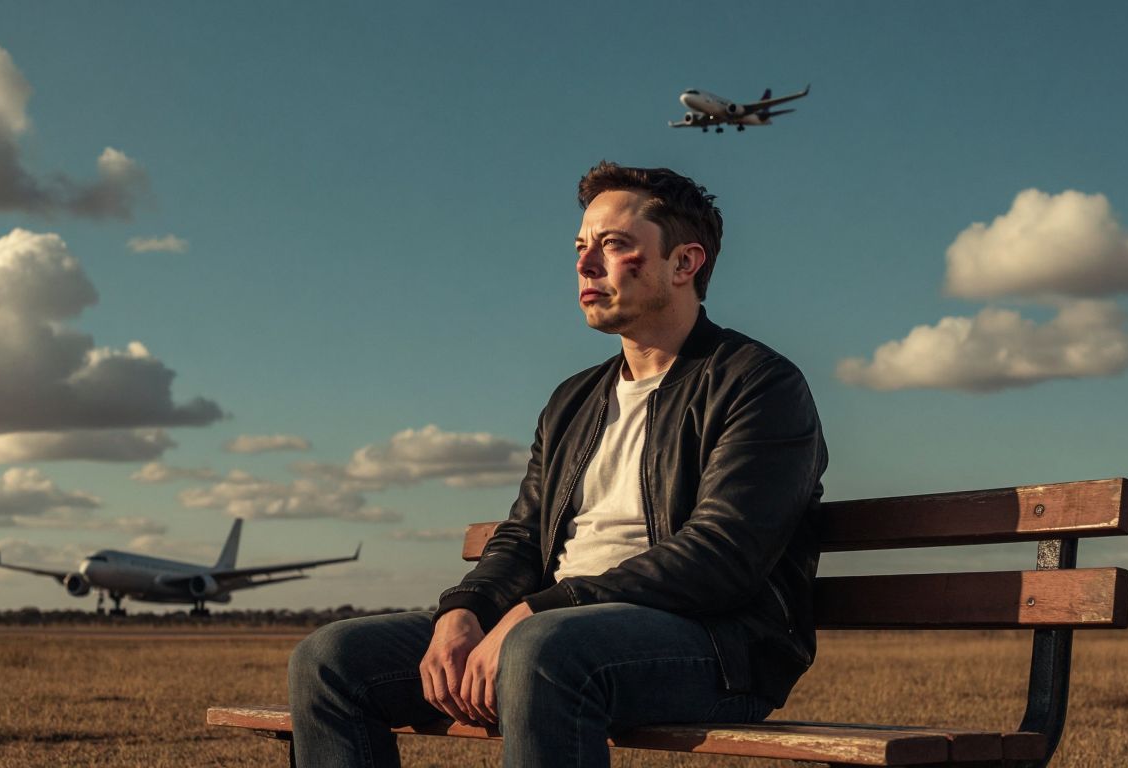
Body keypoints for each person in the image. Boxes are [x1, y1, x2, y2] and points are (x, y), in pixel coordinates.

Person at [289, 161, 828, 767]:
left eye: (613, 245)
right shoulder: (573, 399)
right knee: (329, 660)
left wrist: (536, 612)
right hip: (556, 629)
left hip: (716, 647)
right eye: (580, 247)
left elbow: (721, 555)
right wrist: (464, 609)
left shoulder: (758, 383)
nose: (585, 264)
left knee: (541, 649)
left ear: (684, 263)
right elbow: (523, 535)